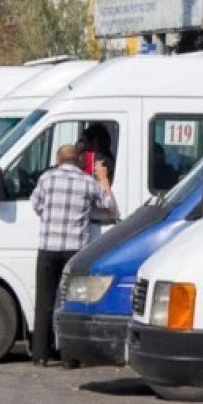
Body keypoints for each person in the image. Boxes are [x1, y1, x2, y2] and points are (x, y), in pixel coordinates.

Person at [29, 144, 116, 366]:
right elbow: (110, 207)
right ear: (79, 160)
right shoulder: (87, 182)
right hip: (75, 250)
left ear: (58, 160)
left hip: (48, 248)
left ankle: (40, 354)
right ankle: (69, 356)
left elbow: (36, 205)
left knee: (44, 302)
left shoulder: (46, 179)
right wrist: (103, 178)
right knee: (70, 302)